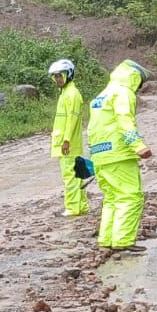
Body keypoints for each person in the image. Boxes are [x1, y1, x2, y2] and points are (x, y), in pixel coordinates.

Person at [86, 59, 154, 252]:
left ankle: (107, 239)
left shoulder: (102, 95)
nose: (140, 88)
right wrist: (139, 146)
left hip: (100, 154)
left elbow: (92, 127)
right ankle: (123, 241)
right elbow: (125, 120)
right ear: (134, 77)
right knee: (130, 196)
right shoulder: (123, 93)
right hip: (119, 154)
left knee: (112, 198)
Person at [47, 59, 89, 217]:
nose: (57, 79)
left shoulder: (71, 94)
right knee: (77, 175)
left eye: (60, 76)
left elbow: (71, 120)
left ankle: (72, 208)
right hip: (68, 143)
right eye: (55, 76)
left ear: (68, 75)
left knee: (70, 178)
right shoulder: (66, 93)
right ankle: (82, 206)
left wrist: (66, 141)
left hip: (68, 145)